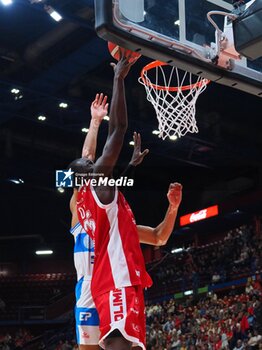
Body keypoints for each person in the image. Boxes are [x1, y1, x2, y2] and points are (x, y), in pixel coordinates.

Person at [70, 53, 182, 350]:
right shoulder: (83, 200)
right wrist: (117, 80)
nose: (92, 161)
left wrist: (130, 168)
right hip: (101, 285)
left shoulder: (99, 206)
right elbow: (108, 143)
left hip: (108, 282)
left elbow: (157, 234)